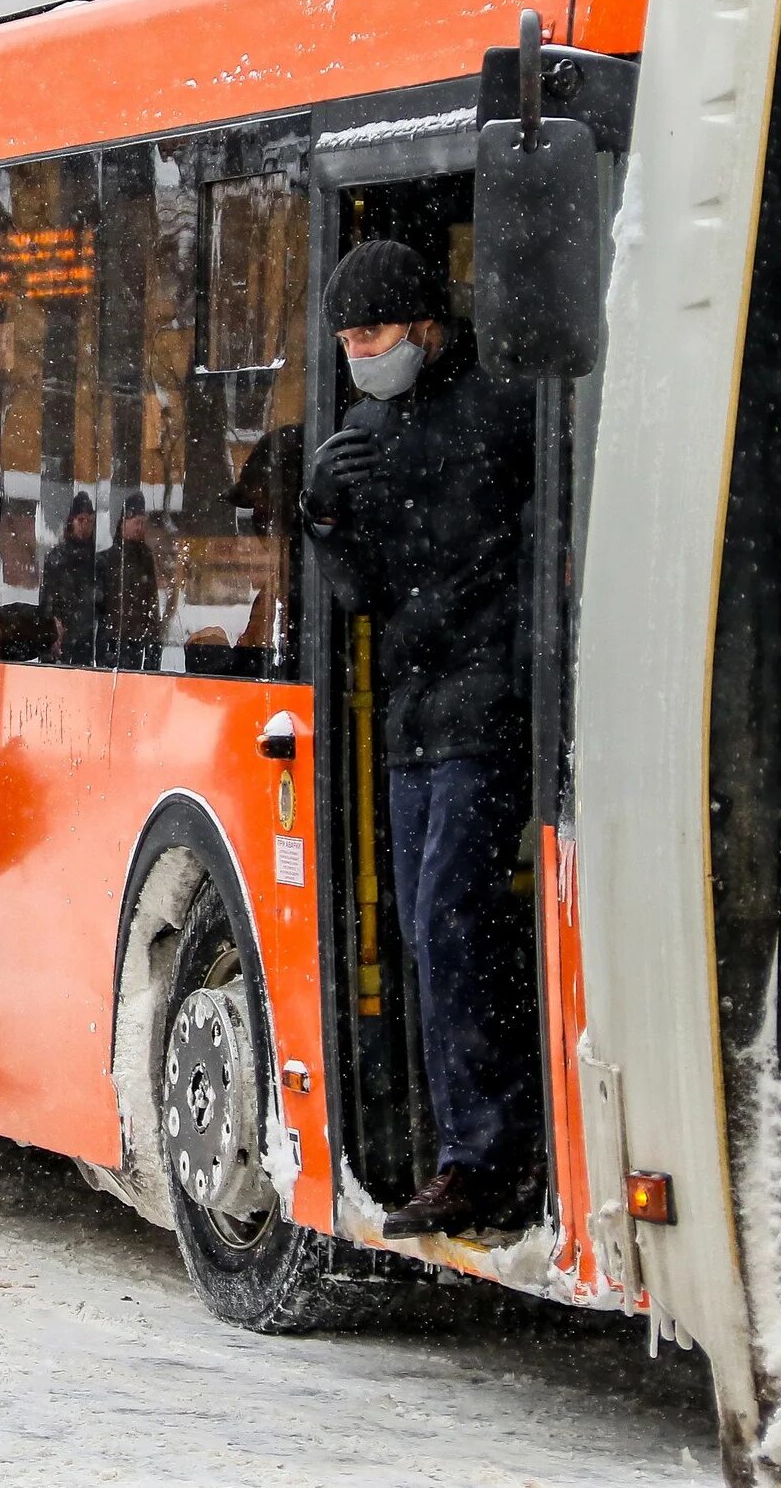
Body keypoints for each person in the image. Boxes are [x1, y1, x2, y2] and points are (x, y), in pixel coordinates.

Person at [301, 238, 541, 1240]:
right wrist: (322, 515)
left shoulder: (506, 402)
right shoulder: (367, 424)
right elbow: (363, 595)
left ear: (426, 321)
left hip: (488, 700)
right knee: (424, 928)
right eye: (348, 339)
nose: (361, 351)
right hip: (412, 712)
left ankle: (484, 1153)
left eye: (376, 332)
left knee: (455, 920)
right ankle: (463, 1145)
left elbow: (528, 544)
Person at [96, 491, 162, 670]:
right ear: (122, 523)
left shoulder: (146, 557)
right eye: (136, 522)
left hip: (137, 641)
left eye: (143, 523)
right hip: (112, 640)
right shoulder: (106, 559)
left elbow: (151, 602)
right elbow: (98, 607)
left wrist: (154, 644)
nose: (140, 527)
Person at [39, 491, 102, 664]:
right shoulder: (57, 557)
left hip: (86, 637)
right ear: (71, 521)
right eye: (81, 520)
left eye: (90, 521)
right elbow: (48, 599)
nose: (85, 526)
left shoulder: (95, 559)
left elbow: (99, 601)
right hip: (60, 634)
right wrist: (53, 627)